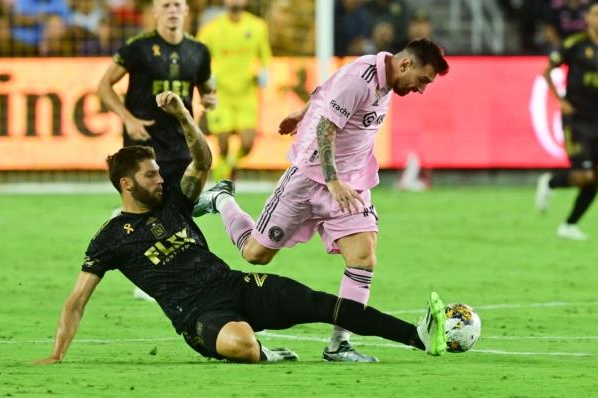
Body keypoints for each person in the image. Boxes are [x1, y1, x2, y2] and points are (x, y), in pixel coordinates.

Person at [34, 91, 448, 365]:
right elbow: (76, 301)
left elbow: (202, 160)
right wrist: (57, 353)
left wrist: (181, 114)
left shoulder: (174, 202)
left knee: (321, 304)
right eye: (150, 176)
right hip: (198, 316)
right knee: (243, 346)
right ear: (126, 184)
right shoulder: (110, 238)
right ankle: (264, 352)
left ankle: (416, 335)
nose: (159, 180)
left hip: (236, 286)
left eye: (159, 172)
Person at [193, 39, 450, 362]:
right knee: (255, 254)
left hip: (350, 184)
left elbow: (325, 90)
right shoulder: (361, 77)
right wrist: (332, 180)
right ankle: (221, 199)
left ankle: (339, 343)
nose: (422, 90)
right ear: (406, 65)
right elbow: (327, 128)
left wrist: (301, 113)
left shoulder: (382, 80)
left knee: (363, 258)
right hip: (311, 179)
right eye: (423, 81)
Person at [98, 0, 216, 301]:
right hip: (144, 143)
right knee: (152, 209)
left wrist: (210, 100)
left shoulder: (199, 51)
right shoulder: (137, 47)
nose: (172, 9)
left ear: (187, 10)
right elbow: (104, 86)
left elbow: (206, 87)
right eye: (166, 4)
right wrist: (129, 119)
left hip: (181, 144)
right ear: (155, 12)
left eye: (178, 4)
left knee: (177, 210)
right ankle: (146, 277)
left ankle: (168, 270)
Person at [536, 1, 598, 240]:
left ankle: (569, 225)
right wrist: (559, 99)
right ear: (587, 18)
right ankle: (551, 181)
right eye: (594, 13)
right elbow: (547, 70)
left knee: (596, 178)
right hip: (578, 119)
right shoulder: (575, 44)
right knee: (584, 176)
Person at [197, 0, 272, 181]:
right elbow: (198, 54)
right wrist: (206, 75)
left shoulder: (258, 26)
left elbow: (265, 57)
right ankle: (222, 181)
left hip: (246, 95)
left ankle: (229, 166)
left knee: (247, 144)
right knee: (222, 143)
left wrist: (263, 72)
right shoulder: (212, 29)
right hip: (221, 94)